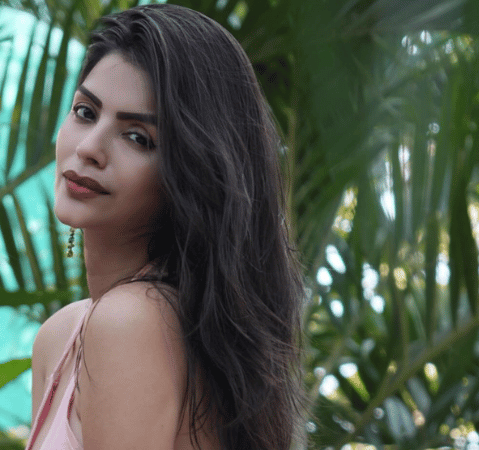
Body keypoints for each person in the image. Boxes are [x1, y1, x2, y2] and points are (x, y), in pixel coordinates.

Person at [26, 4, 305, 450]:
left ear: (191, 171)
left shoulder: (130, 322)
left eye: (138, 137)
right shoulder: (59, 338)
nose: (90, 147)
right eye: (85, 112)